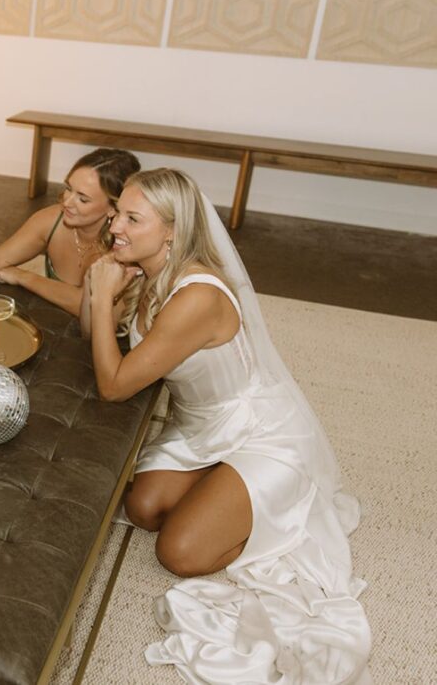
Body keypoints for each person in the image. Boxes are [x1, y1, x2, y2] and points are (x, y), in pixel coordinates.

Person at [82, 168, 370, 683]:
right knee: (142, 506)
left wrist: (103, 296)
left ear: (171, 231)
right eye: (116, 212)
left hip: (261, 434)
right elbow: (93, 335)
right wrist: (102, 284)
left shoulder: (196, 296)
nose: (114, 227)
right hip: (203, 430)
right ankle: (222, 488)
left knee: (180, 551)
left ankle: (270, 507)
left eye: (131, 217)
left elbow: (114, 385)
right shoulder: (147, 271)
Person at [0, 148, 139, 315]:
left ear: (113, 207)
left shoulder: (124, 244)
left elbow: (87, 306)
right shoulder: (52, 219)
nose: (67, 201)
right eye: (68, 188)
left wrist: (22, 276)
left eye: (82, 198)